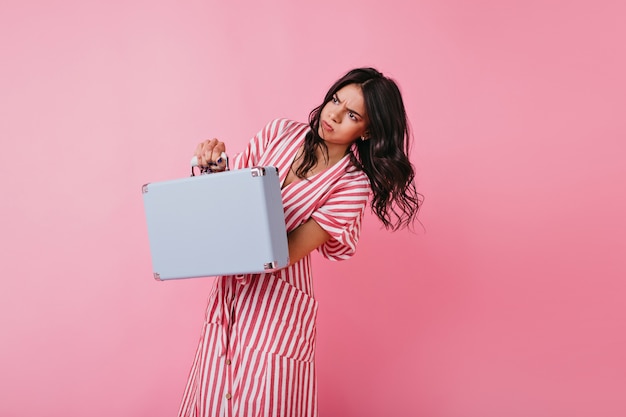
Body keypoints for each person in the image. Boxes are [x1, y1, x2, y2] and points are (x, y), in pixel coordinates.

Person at [178, 67, 420, 417]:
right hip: (232, 291)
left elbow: (282, 252)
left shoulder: (352, 184)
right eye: (335, 99)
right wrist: (215, 170)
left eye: (351, 114)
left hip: (278, 305)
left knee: (265, 403)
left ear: (367, 131)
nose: (333, 115)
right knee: (214, 396)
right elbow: (226, 200)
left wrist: (238, 202)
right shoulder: (278, 132)